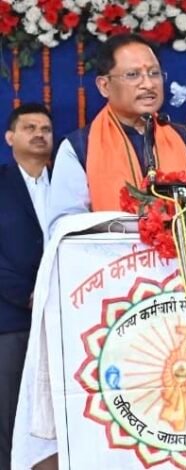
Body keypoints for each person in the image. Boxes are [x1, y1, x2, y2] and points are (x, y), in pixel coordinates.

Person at [47, 33, 186, 233]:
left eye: (154, 73)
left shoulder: (185, 139)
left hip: (185, 252)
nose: (148, 84)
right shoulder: (79, 147)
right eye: (133, 75)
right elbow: (64, 226)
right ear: (104, 86)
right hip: (112, 252)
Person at [0, 103, 53, 470]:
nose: (39, 134)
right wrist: (27, 295)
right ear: (10, 137)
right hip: (12, 319)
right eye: (29, 128)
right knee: (9, 412)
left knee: (61, 407)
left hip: (63, 318)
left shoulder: (69, 182)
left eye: (45, 129)